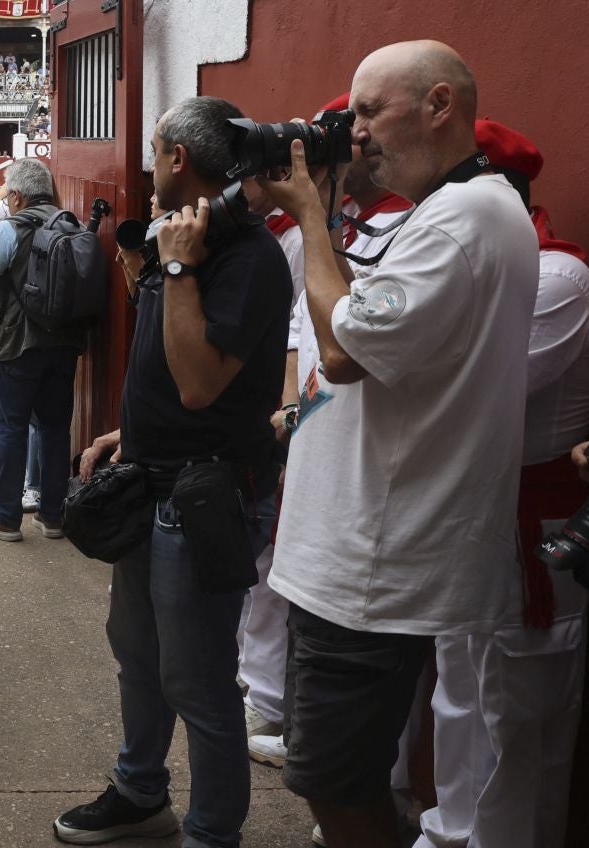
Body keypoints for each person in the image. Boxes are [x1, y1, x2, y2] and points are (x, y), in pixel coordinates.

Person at [262, 41, 538, 848]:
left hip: (375, 562)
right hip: (371, 552)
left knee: (333, 780)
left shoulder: (464, 218)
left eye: (368, 111)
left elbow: (344, 353)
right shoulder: (452, 213)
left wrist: (312, 213)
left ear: (439, 105)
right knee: (338, 772)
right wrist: (330, 208)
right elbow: (366, 317)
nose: (354, 133)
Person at [54, 97, 292, 848]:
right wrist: (132, 432)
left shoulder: (242, 257)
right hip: (155, 477)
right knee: (139, 658)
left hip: (203, 496)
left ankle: (213, 832)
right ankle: (140, 789)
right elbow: (172, 379)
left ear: (179, 159)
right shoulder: (190, 240)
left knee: (197, 680)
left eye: (155, 151)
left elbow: (198, 384)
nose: (149, 166)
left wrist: (179, 265)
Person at [408, 120, 589, 848]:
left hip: (535, 523)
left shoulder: (557, 278)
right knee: (459, 692)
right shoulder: (484, 264)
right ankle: (450, 832)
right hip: (472, 511)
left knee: (514, 715)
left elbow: (465, 393)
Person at [245, 96, 412, 769]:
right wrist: (296, 418)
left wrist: (300, 415)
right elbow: (304, 342)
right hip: (316, 429)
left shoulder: (400, 228)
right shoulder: (335, 222)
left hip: (366, 450)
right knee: (285, 574)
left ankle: (378, 786)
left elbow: (347, 349)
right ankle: (276, 701)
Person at [0, 160, 82, 543]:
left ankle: (5, 515)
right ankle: (53, 515)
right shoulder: (71, 224)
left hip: (15, 344)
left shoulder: (9, 228)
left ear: (15, 196)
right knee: (55, 427)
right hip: (63, 342)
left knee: (10, 427)